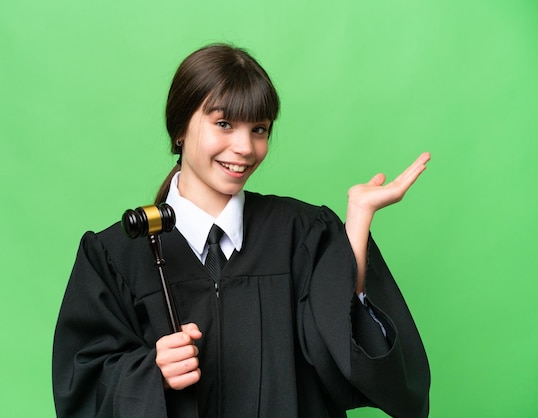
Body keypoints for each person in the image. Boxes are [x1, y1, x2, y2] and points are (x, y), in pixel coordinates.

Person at [52, 43, 431, 417]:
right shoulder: (116, 254)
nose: (245, 147)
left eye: (260, 129)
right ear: (180, 126)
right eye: (224, 124)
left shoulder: (303, 234)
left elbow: (340, 352)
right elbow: (82, 384)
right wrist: (151, 374)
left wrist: (358, 223)